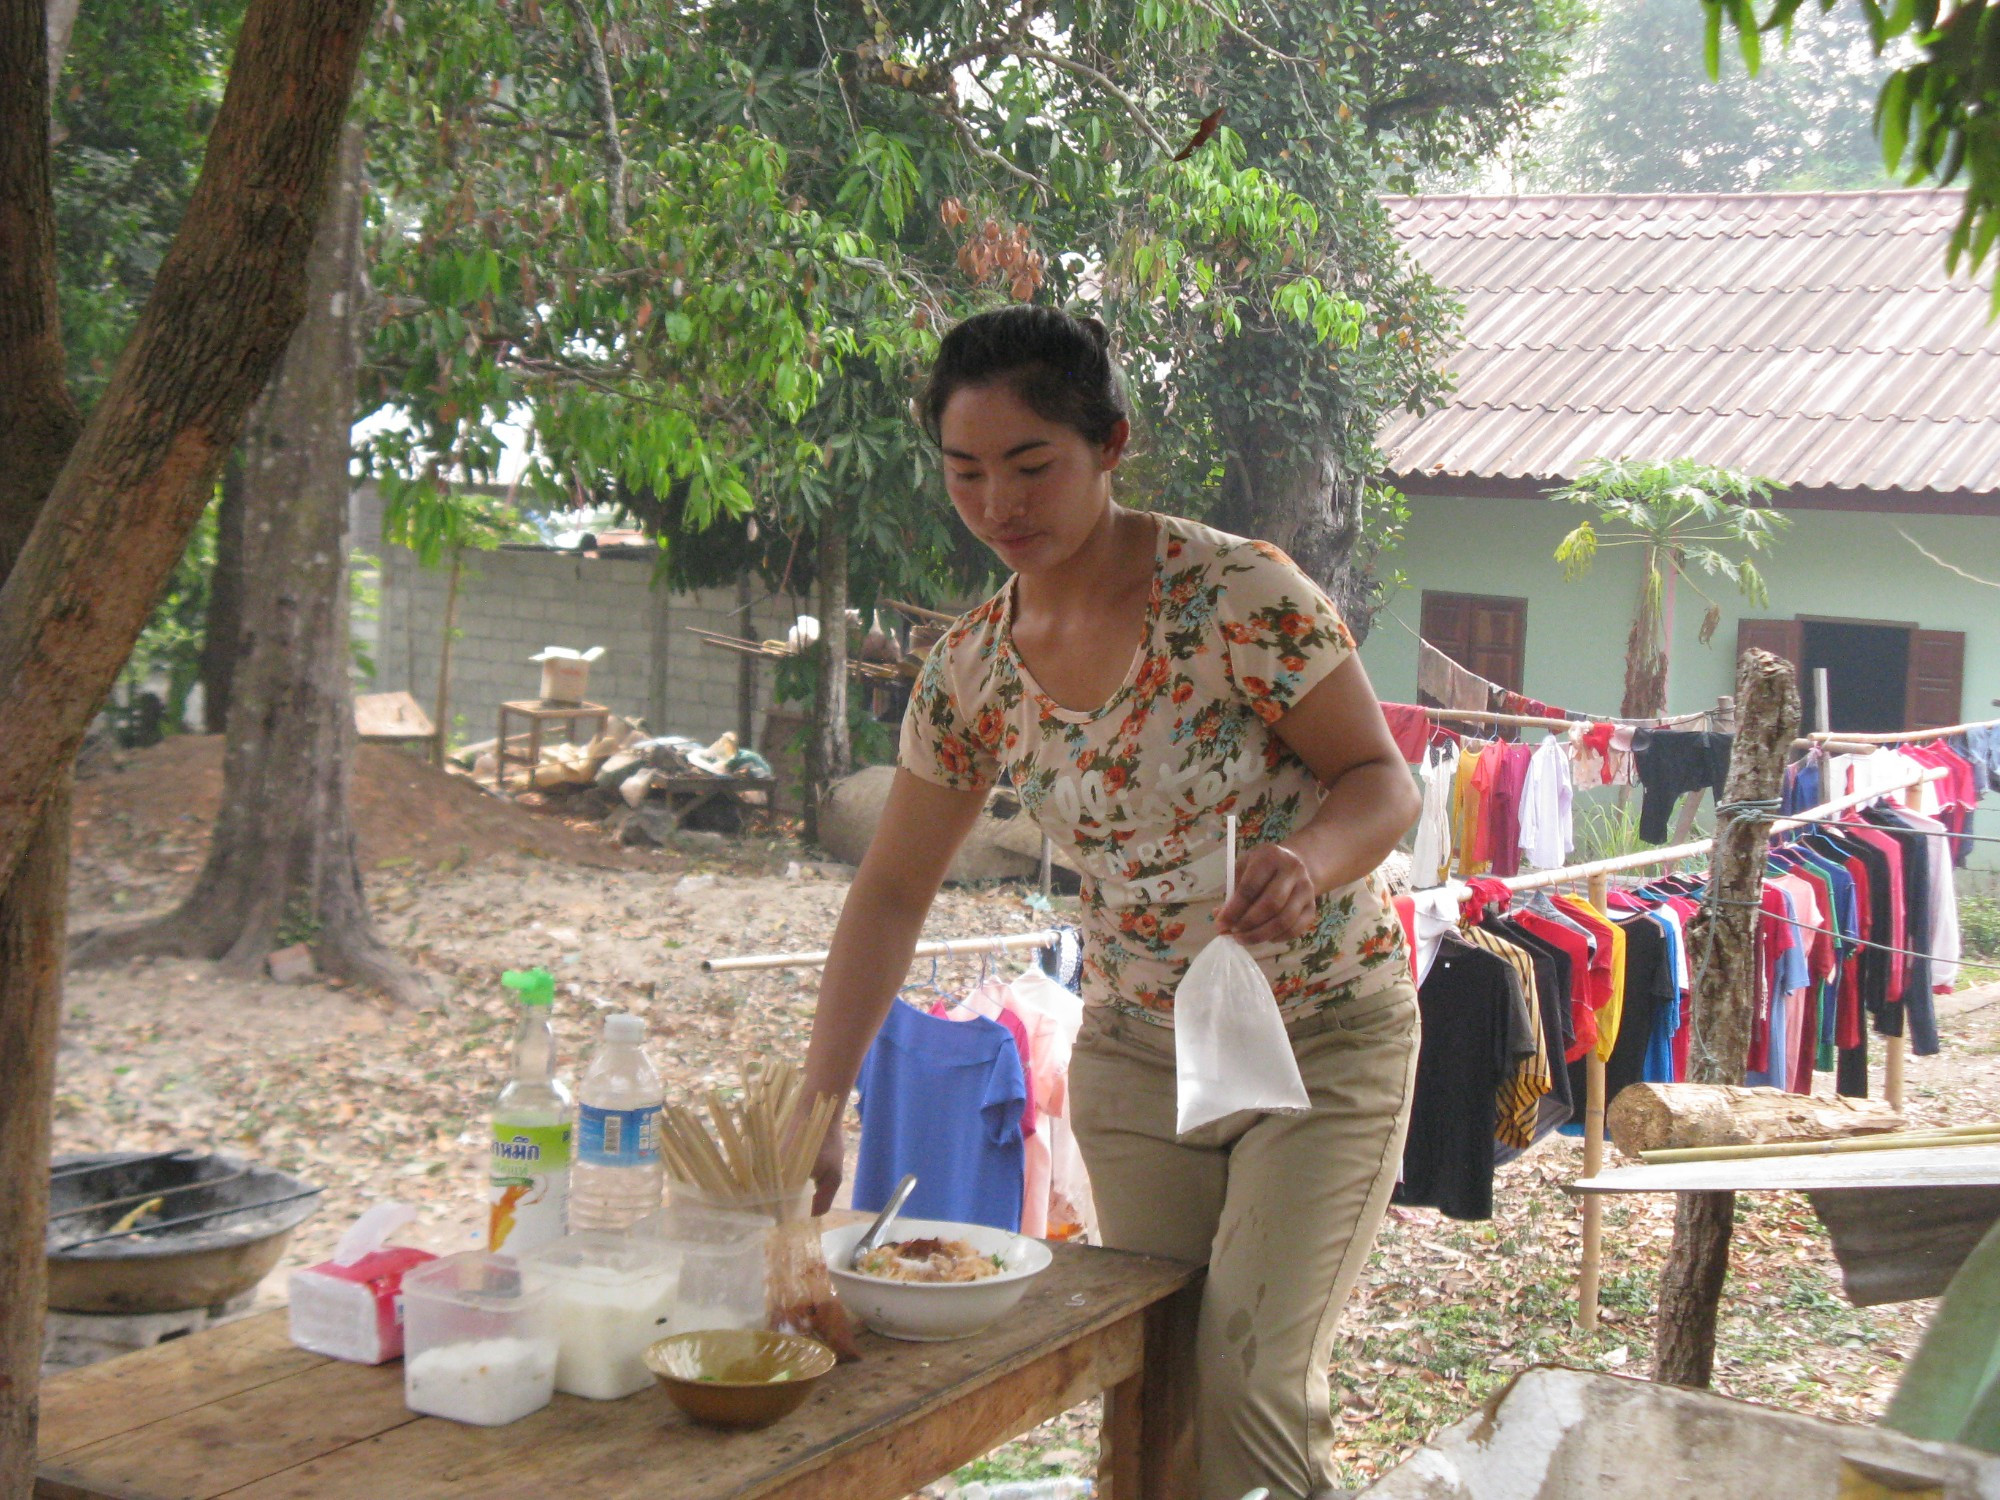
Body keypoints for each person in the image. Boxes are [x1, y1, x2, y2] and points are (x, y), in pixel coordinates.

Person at [800, 306, 1421, 1500]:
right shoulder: (973, 669)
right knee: (1154, 1393)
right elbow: (887, 893)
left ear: (1110, 445)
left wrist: (1309, 862)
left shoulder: (1238, 594)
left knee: (1248, 1385)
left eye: (1032, 465)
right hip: (1139, 1056)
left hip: (1323, 1038)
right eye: (965, 472)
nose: (999, 504)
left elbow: (1378, 779)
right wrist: (819, 1102)